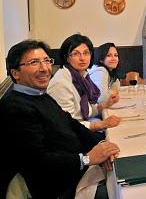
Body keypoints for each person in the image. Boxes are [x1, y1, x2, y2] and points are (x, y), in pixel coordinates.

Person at [0, 39, 120, 198]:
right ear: (15, 73)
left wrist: (100, 143)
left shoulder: (40, 95)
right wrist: (87, 159)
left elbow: (72, 123)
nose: (44, 68)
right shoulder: (15, 107)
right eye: (34, 62)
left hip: (76, 169)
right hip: (59, 187)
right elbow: (39, 162)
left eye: (46, 61)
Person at [47, 34, 120, 132]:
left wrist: (105, 105)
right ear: (67, 58)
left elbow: (85, 111)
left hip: (82, 127)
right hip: (72, 136)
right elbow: (67, 123)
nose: (82, 58)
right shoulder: (61, 83)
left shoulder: (82, 77)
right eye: (76, 54)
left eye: (86, 53)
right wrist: (101, 124)